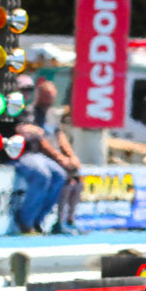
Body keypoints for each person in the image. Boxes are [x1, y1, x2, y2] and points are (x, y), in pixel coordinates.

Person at [30, 80, 83, 234]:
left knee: (78, 182)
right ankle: (58, 221)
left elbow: (60, 136)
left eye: (52, 96)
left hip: (58, 156)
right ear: (39, 95)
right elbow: (41, 141)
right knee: (66, 182)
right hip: (44, 155)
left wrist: (71, 156)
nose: (50, 99)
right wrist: (60, 158)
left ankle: (70, 219)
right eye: (47, 96)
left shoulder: (53, 114)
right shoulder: (32, 113)